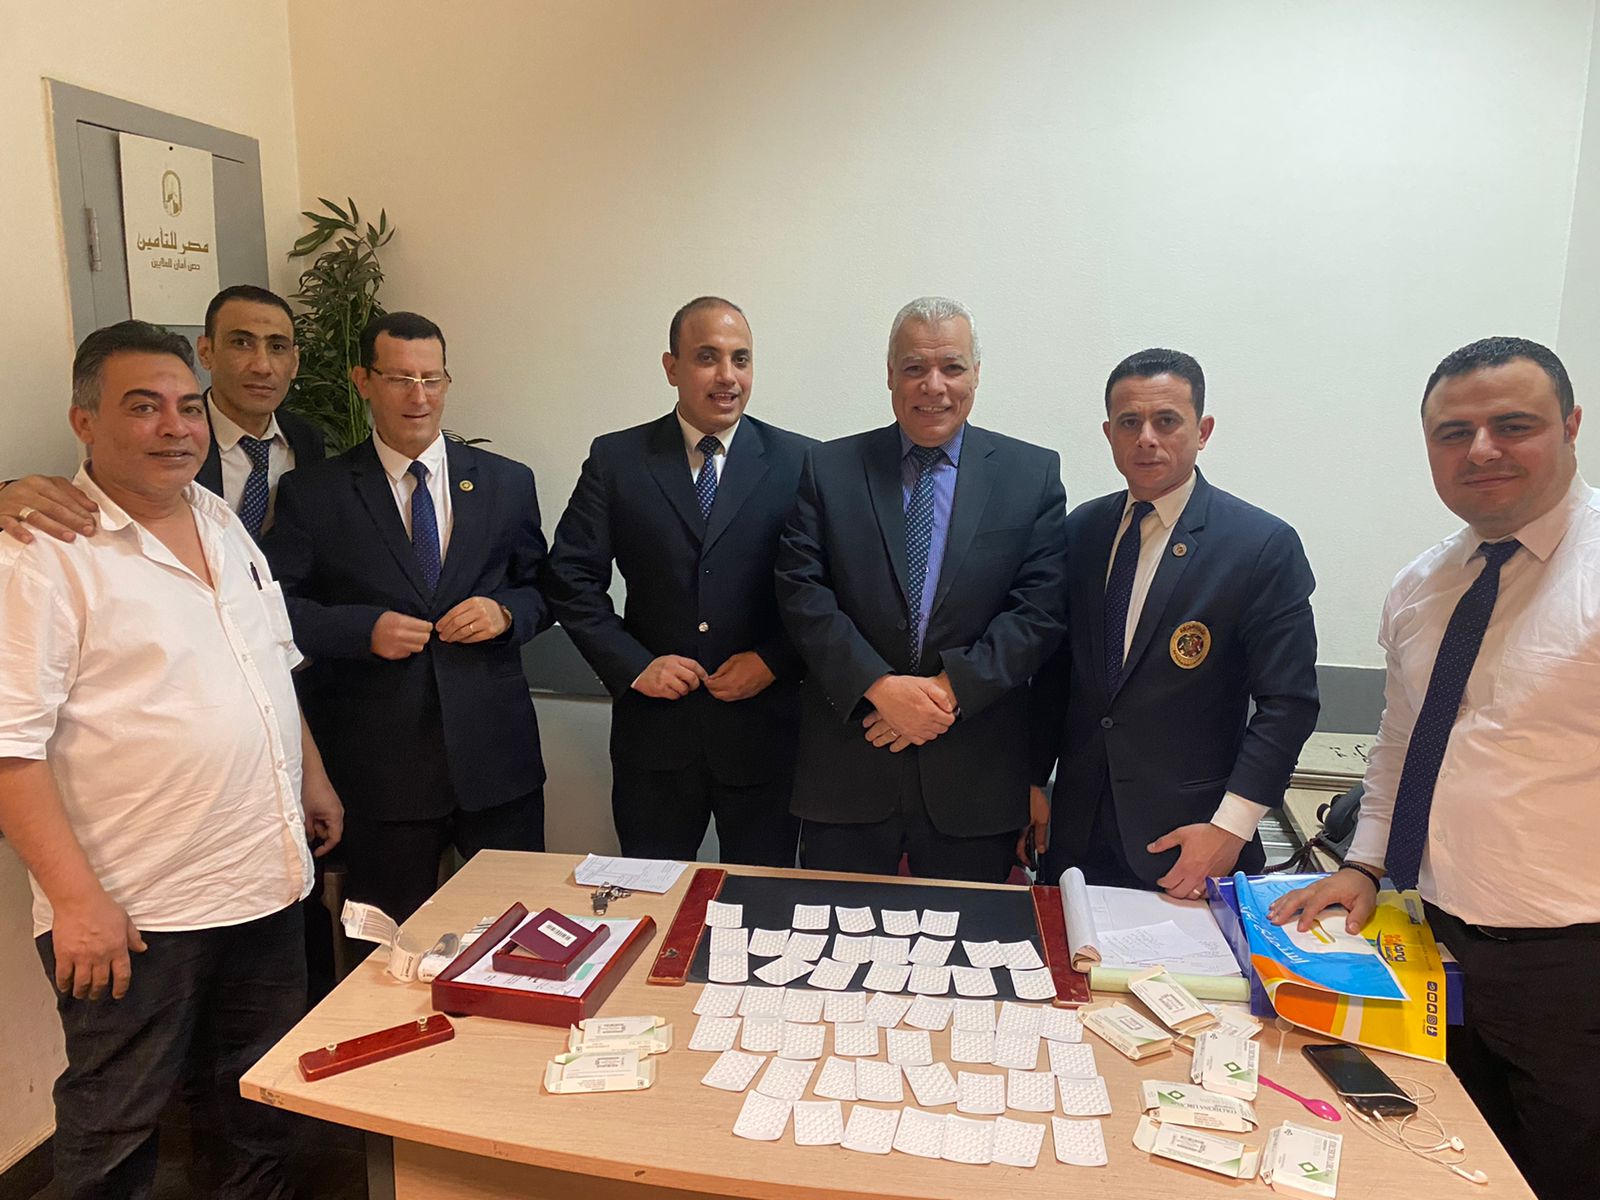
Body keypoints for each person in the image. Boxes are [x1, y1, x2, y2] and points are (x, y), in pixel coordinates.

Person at [0, 320, 343, 1199]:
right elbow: (9, 748)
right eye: (143, 407)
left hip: (262, 882)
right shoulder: (42, 553)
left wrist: (311, 776)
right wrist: (76, 903)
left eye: (188, 407)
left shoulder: (219, 518)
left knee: (255, 1106)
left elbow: (270, 665)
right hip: (137, 909)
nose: (175, 427)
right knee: (117, 1127)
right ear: (84, 421)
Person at [1271, 336, 1598, 1200]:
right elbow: (1400, 743)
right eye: (1454, 433)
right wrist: (1364, 864)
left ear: (1570, 426)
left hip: (1575, 970)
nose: (1481, 450)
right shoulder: (1424, 584)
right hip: (1432, 941)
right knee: (1444, 1166)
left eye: (1513, 425)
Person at [263, 311, 550, 923]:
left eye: (431, 379)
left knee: (519, 939)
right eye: (399, 379)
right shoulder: (315, 493)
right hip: (380, 772)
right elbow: (273, 608)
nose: (418, 397)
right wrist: (361, 630)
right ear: (363, 381)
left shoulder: (506, 482)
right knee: (388, 946)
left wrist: (505, 612)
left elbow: (544, 589)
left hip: (496, 763)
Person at [775, 296, 1068, 883]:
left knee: (967, 937)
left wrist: (945, 692)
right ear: (890, 374)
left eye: (952, 367)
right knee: (834, 934)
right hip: (848, 770)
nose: (934, 386)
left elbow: (1037, 610)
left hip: (974, 779)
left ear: (976, 374)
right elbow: (802, 593)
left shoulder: (1030, 475)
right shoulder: (828, 468)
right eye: (914, 367)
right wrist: (879, 688)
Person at [1029, 348, 1319, 896]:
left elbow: (1289, 704)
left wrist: (1231, 828)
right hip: (1075, 836)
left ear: (1202, 431)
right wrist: (1032, 780)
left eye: (1166, 421)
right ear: (1109, 433)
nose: (1146, 438)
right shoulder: (1080, 531)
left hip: (1192, 841)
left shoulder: (1260, 546)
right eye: (1129, 423)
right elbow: (1054, 675)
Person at [544, 297, 813, 865]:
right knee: (650, 895)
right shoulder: (617, 459)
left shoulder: (800, 462)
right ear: (671, 368)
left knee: (759, 898)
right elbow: (570, 578)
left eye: (740, 359)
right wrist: (634, 665)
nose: (727, 376)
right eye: (707, 357)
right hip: (656, 738)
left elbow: (823, 591)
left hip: (765, 737)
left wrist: (774, 660)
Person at [0, 284, 325, 542]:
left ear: (294, 362)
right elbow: (84, 494)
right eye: (241, 343)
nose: (262, 366)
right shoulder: (173, 440)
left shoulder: (306, 439)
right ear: (206, 352)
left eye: (277, 347)